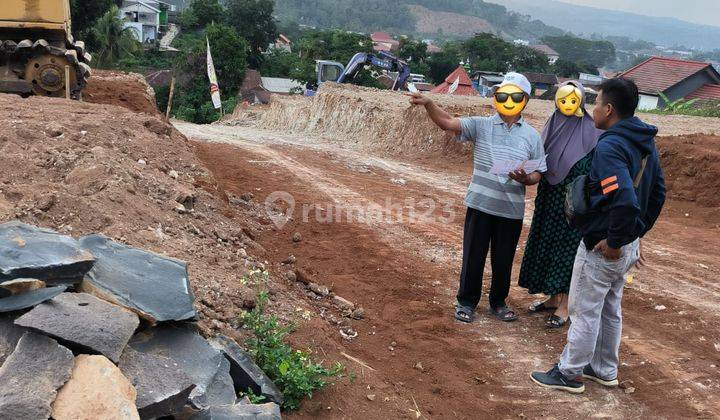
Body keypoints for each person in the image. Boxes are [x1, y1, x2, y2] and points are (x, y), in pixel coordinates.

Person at [530, 78, 666, 393]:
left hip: (604, 246)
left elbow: (624, 199)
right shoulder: (644, 140)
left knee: (584, 308)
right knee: (609, 307)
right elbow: (656, 194)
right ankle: (603, 369)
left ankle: (569, 373)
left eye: (596, 102)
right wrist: (635, 234)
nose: (592, 110)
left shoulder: (610, 146)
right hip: (625, 242)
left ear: (608, 109)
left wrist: (616, 242)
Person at [408, 72, 546, 323]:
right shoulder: (481, 125)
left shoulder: (532, 136)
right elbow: (448, 123)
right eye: (502, 95)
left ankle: (498, 303)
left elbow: (538, 172)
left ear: (524, 99)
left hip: (510, 210)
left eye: (513, 96)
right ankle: (466, 302)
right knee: (473, 256)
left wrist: (526, 179)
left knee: (503, 261)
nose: (507, 99)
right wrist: (429, 104)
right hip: (480, 205)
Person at [519, 81, 603, 329]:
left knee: (568, 250)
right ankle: (553, 297)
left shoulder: (593, 131)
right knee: (547, 243)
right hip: (548, 198)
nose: (567, 105)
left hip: (575, 205)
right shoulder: (552, 125)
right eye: (562, 100)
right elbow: (539, 161)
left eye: (572, 100)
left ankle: (566, 304)